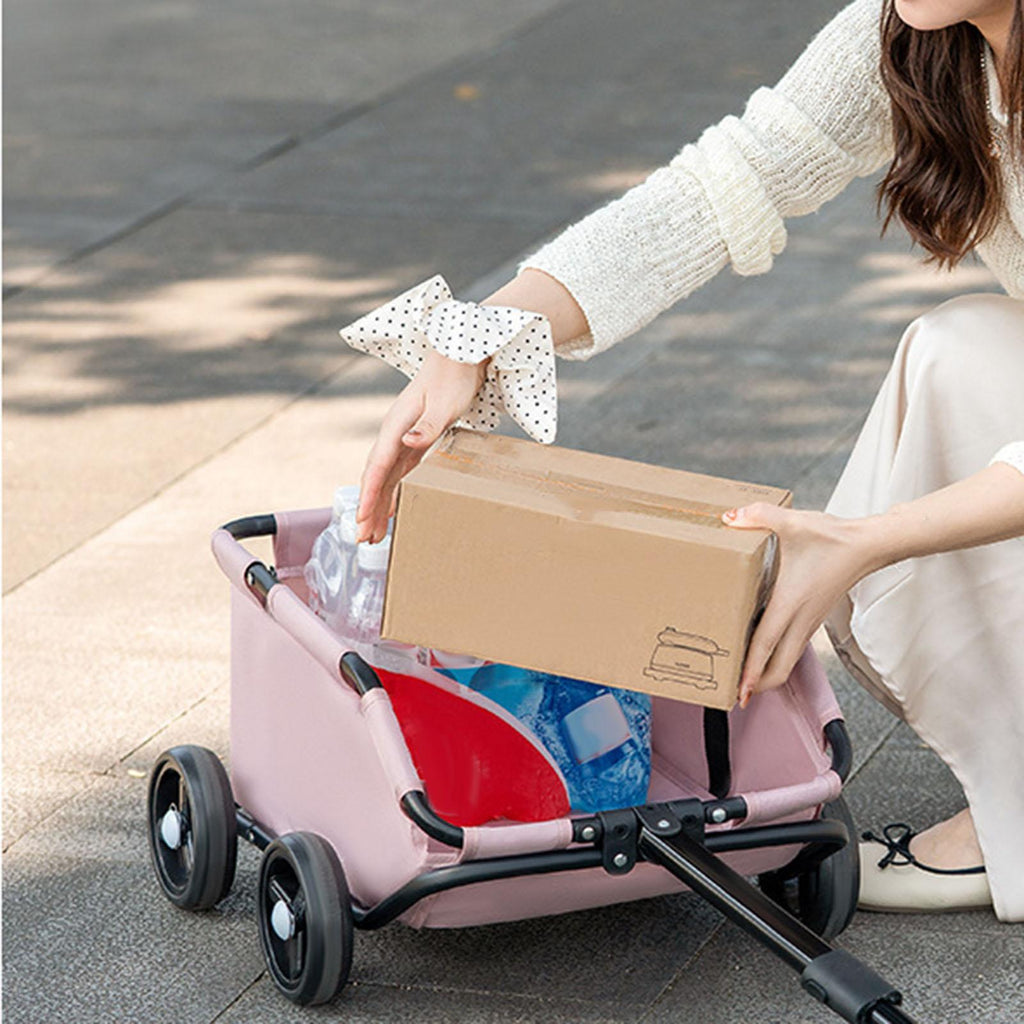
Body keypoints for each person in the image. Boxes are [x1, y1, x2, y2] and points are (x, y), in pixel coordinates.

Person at [340, 0, 1024, 921]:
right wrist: (480, 334)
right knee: (958, 354)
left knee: (964, 370)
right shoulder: (913, 34)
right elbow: (724, 185)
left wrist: (870, 537)